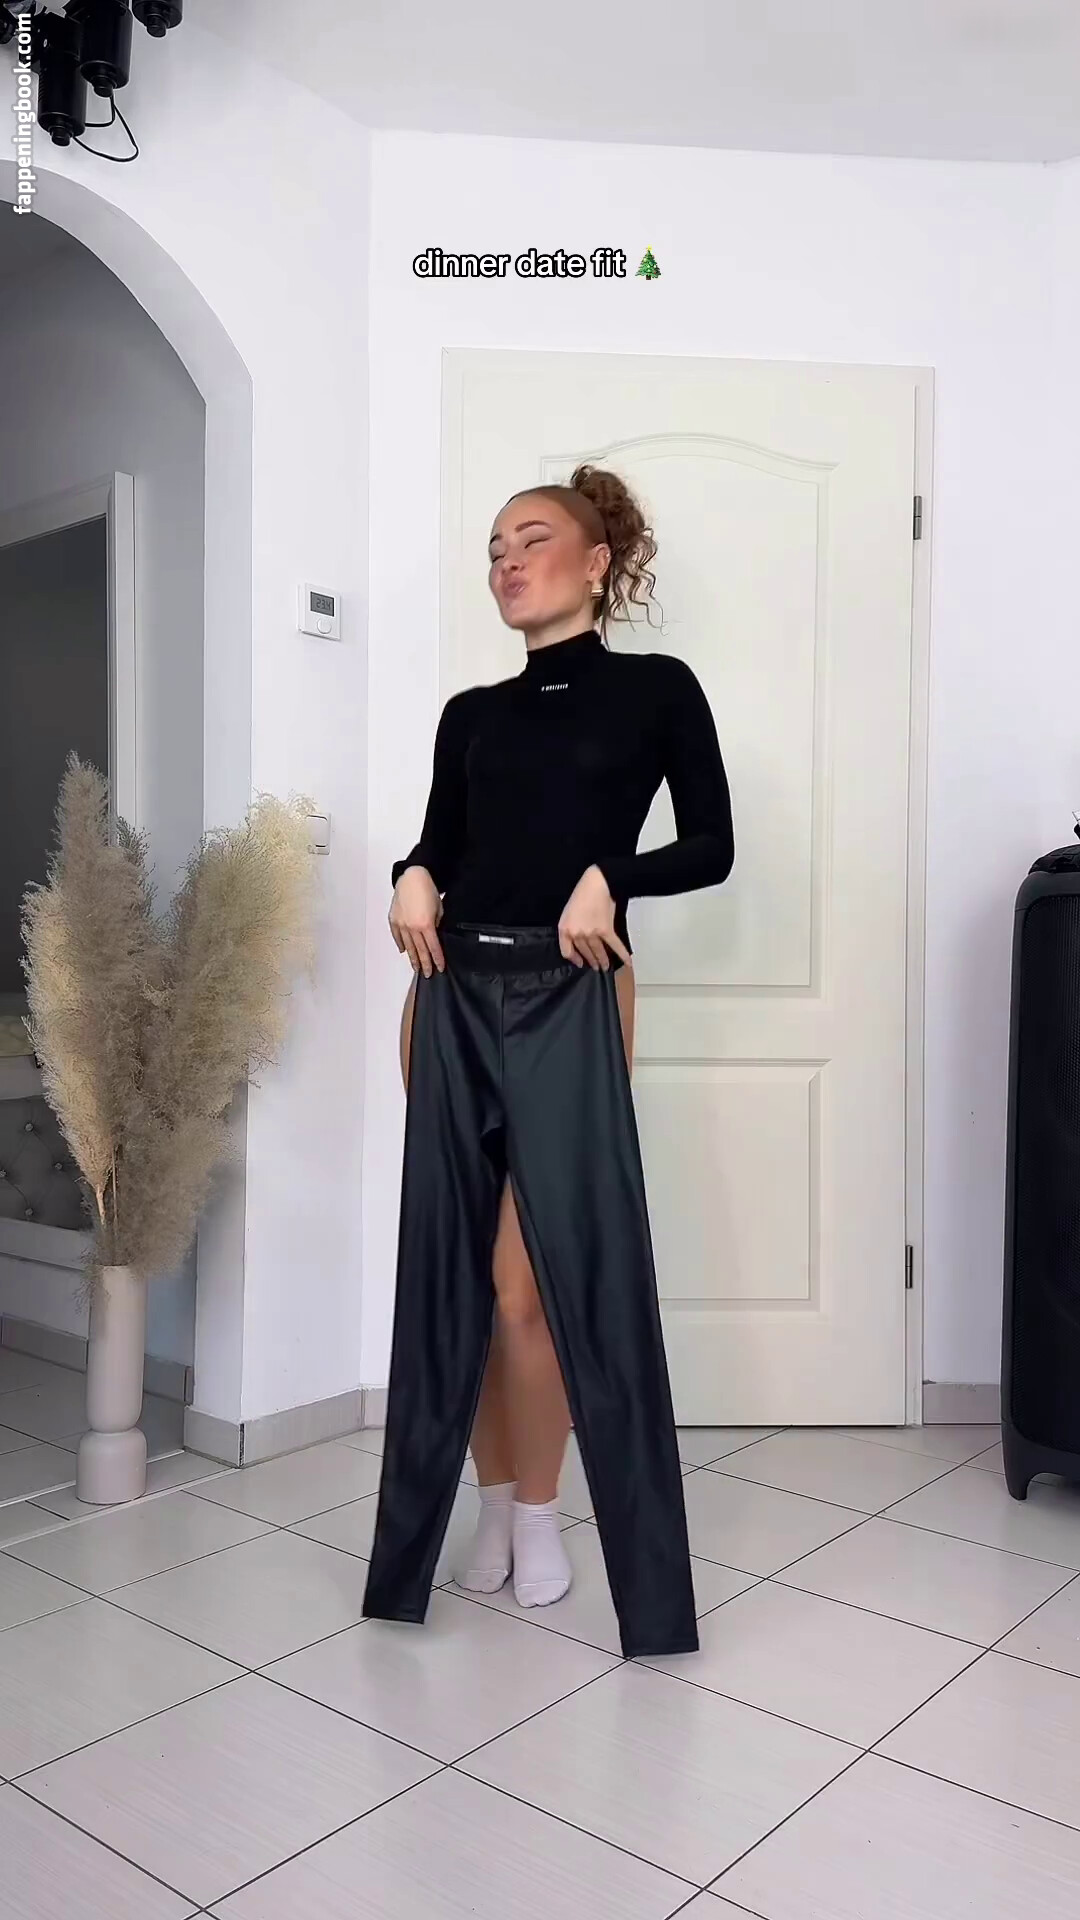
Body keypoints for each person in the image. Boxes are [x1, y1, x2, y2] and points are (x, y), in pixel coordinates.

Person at [362, 464, 734, 1660]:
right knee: (459, 1276)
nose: (507, 562)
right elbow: (441, 843)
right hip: (447, 991)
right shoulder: (471, 714)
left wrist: (613, 874)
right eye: (493, 548)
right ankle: (483, 1501)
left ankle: (539, 1508)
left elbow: (713, 845)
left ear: (597, 561)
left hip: (575, 991)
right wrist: (409, 876)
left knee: (539, 1284)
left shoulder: (656, 691)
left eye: (532, 539)